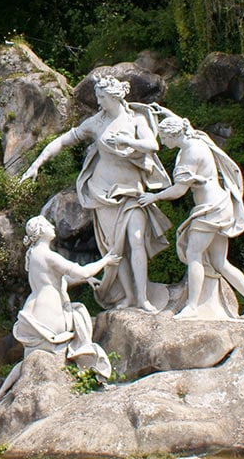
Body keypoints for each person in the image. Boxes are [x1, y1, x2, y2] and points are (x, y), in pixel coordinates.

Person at [21, 76, 172, 312]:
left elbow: (153, 145)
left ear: (114, 97)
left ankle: (143, 298)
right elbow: (64, 140)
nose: (99, 102)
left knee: (136, 239)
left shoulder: (136, 119)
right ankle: (129, 297)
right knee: (116, 247)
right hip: (102, 191)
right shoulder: (96, 123)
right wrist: (37, 163)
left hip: (131, 190)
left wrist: (126, 140)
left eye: (101, 97)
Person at [138, 116, 244, 321]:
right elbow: (185, 126)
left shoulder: (190, 153)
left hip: (210, 209)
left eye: (163, 137)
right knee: (219, 261)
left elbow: (179, 190)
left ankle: (192, 306)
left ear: (172, 134)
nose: (162, 143)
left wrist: (155, 196)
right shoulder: (197, 140)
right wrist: (163, 112)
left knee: (193, 253)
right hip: (220, 205)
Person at [0, 216, 119, 400]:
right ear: (40, 231)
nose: (52, 227)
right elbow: (80, 271)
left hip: (33, 313)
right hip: (50, 315)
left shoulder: (34, 254)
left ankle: (1, 392)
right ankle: (89, 363)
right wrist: (105, 261)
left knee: (29, 358)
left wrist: (86, 279)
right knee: (79, 312)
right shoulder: (48, 255)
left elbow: (57, 280)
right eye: (47, 224)